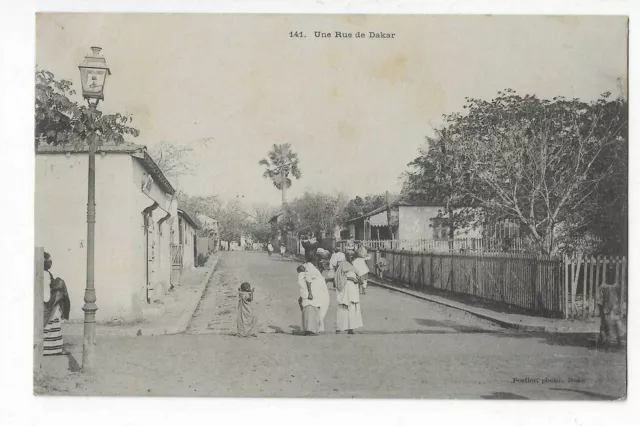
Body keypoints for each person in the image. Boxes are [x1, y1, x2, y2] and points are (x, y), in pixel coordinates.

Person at [43, 252, 71, 356]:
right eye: (48, 260)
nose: (50, 262)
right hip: (47, 305)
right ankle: (54, 349)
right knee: (51, 324)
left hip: (47, 305)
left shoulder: (45, 273)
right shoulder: (45, 274)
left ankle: (50, 349)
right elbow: (46, 296)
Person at [334, 251, 363, 334]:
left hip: (353, 289)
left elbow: (357, 276)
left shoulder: (353, 266)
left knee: (353, 307)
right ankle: (339, 327)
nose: (351, 257)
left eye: (352, 256)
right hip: (346, 288)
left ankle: (351, 328)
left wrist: (358, 279)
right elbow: (339, 277)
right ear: (346, 257)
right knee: (343, 306)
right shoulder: (343, 265)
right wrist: (350, 279)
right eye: (349, 255)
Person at [303, 252, 330, 332]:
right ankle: (311, 328)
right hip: (314, 291)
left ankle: (315, 327)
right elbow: (308, 280)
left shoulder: (313, 267)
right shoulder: (309, 267)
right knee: (314, 309)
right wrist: (310, 293)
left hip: (318, 291)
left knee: (319, 308)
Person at [297, 265, 321, 336]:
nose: (304, 268)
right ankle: (311, 330)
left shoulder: (303, 275)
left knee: (308, 312)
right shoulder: (303, 274)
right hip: (308, 294)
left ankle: (308, 330)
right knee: (311, 312)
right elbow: (308, 282)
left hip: (306, 294)